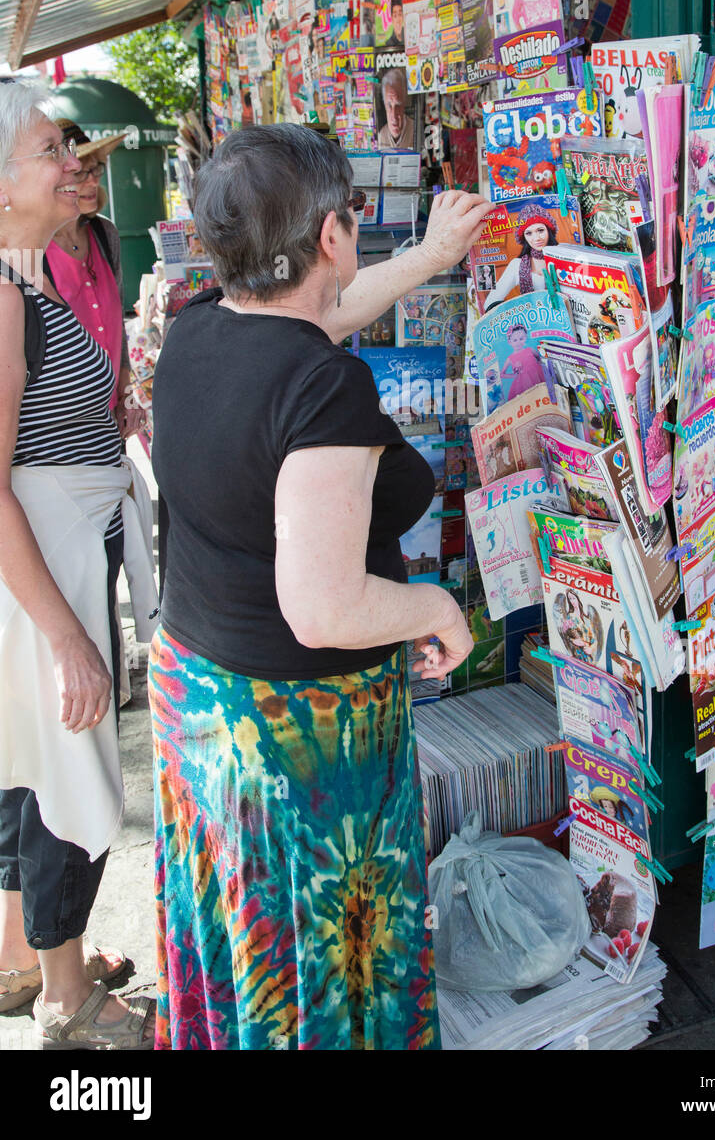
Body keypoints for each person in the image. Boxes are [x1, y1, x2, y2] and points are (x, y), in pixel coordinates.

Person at [148, 123, 493, 1050]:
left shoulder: (199, 333)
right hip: (297, 743)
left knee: (246, 939)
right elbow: (326, 606)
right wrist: (435, 607)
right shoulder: (323, 388)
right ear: (334, 236)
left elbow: (316, 321)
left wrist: (430, 256)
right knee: (319, 963)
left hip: (206, 718)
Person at [0, 82, 157, 1047]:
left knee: (34, 770)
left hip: (55, 549)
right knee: (66, 770)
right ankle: (66, 999)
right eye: (51, 148)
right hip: (44, 564)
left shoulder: (25, 281)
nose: (73, 162)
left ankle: (37, 962)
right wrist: (67, 637)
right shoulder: (5, 297)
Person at [46, 121, 147, 439]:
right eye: (80, 173)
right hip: (61, 425)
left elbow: (117, 327)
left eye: (97, 170)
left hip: (112, 416)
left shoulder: (105, 233)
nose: (91, 181)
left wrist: (128, 395)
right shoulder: (34, 246)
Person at [483, 212, 560, 309]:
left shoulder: (562, 258)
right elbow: (490, 302)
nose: (536, 238)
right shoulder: (517, 265)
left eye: (540, 230)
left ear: (549, 231)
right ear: (524, 237)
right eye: (529, 233)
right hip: (532, 320)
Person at [499, 320, 546, 400]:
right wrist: (513, 375)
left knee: (543, 392)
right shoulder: (510, 358)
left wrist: (539, 365)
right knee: (528, 397)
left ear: (525, 337)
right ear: (509, 342)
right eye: (515, 340)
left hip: (537, 375)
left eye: (521, 339)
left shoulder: (530, 350)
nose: (518, 342)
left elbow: (539, 357)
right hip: (522, 382)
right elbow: (502, 374)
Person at [377, 66, 413, 149]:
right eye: (389, 105)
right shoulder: (380, 137)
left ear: (404, 103)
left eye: (398, 105)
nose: (394, 116)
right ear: (384, 105)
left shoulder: (415, 131)